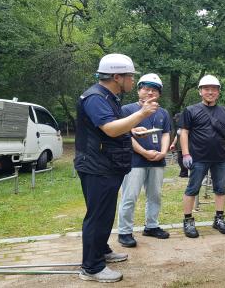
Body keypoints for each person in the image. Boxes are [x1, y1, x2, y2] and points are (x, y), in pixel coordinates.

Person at [74, 54, 159, 282]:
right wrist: (141, 114)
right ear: (116, 77)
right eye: (130, 76)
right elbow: (110, 129)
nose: (133, 81)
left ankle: (101, 250)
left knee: (105, 213)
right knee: (97, 216)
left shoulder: (109, 96)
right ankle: (91, 268)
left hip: (106, 164)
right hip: (96, 166)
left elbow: (106, 128)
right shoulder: (95, 98)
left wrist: (132, 130)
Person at [117, 73, 171, 248]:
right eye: (146, 89)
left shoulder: (163, 112)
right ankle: (125, 231)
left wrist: (163, 152)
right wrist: (143, 152)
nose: (149, 93)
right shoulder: (127, 109)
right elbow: (124, 134)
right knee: (130, 196)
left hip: (157, 160)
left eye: (154, 90)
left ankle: (152, 226)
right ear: (139, 90)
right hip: (135, 160)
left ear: (159, 94)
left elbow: (165, 133)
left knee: (155, 195)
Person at [179, 75, 225, 238]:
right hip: (197, 157)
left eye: (214, 89)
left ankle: (219, 219)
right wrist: (185, 153)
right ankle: (188, 220)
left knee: (221, 189)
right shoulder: (190, 110)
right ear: (200, 91)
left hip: (220, 158)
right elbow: (184, 132)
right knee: (192, 189)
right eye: (206, 89)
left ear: (218, 92)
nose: (210, 92)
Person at [169, 113, 189, 177]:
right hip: (179, 147)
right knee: (180, 161)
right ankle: (183, 173)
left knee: (186, 160)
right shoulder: (179, 127)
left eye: (176, 119)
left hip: (186, 147)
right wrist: (173, 144)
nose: (176, 120)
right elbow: (176, 137)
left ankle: (185, 173)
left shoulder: (186, 125)